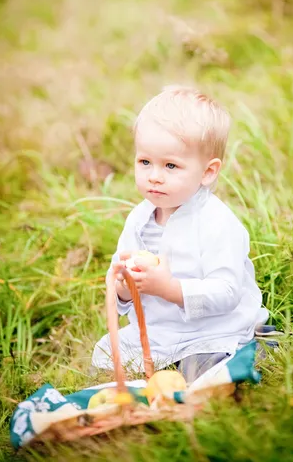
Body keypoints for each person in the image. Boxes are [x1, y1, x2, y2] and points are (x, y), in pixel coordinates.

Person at [92, 85, 268, 382]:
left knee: (205, 368)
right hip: (160, 333)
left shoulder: (217, 223)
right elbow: (120, 287)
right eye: (144, 161)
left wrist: (169, 289)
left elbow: (227, 293)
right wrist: (123, 285)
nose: (154, 175)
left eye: (171, 165)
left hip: (213, 331)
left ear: (207, 172)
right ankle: (157, 379)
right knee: (107, 355)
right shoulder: (139, 220)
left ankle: (229, 366)